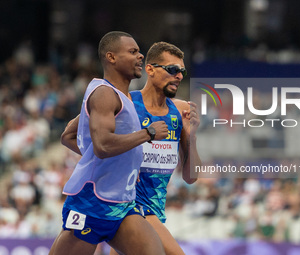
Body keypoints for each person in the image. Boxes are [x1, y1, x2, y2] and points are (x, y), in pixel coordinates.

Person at [62, 41, 201, 255]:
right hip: (130, 203)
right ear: (150, 69)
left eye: (182, 71)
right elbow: (69, 135)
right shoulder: (124, 102)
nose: (179, 76)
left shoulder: (181, 111)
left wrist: (191, 136)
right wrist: (116, 160)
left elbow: (192, 177)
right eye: (173, 70)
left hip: (152, 209)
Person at [49, 31, 167, 255]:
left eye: (139, 51)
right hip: (92, 204)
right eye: (132, 52)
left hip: (122, 204)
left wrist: (114, 161)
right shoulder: (104, 94)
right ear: (111, 57)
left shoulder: (123, 97)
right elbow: (102, 146)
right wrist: (148, 133)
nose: (140, 56)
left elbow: (69, 135)